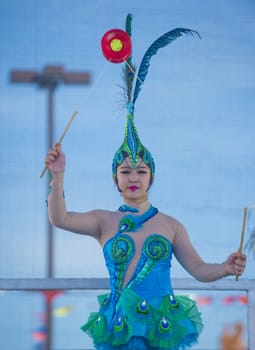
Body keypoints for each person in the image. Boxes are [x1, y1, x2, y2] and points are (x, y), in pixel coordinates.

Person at [44, 14, 246, 350]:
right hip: (120, 329)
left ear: (152, 176)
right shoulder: (103, 221)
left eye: (140, 171)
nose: (133, 177)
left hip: (162, 329)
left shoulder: (171, 225)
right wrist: (59, 174)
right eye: (125, 171)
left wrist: (225, 268)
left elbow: (198, 269)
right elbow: (59, 219)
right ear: (115, 178)